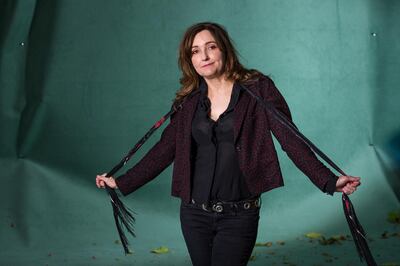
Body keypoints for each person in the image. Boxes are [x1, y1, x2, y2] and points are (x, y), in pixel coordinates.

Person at [96, 22, 361, 266]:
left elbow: (291, 139)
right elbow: (164, 150)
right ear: (190, 61)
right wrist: (121, 181)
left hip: (239, 215)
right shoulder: (188, 101)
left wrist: (329, 180)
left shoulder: (258, 89)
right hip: (193, 213)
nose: (204, 56)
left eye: (211, 47)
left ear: (224, 50)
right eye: (195, 51)